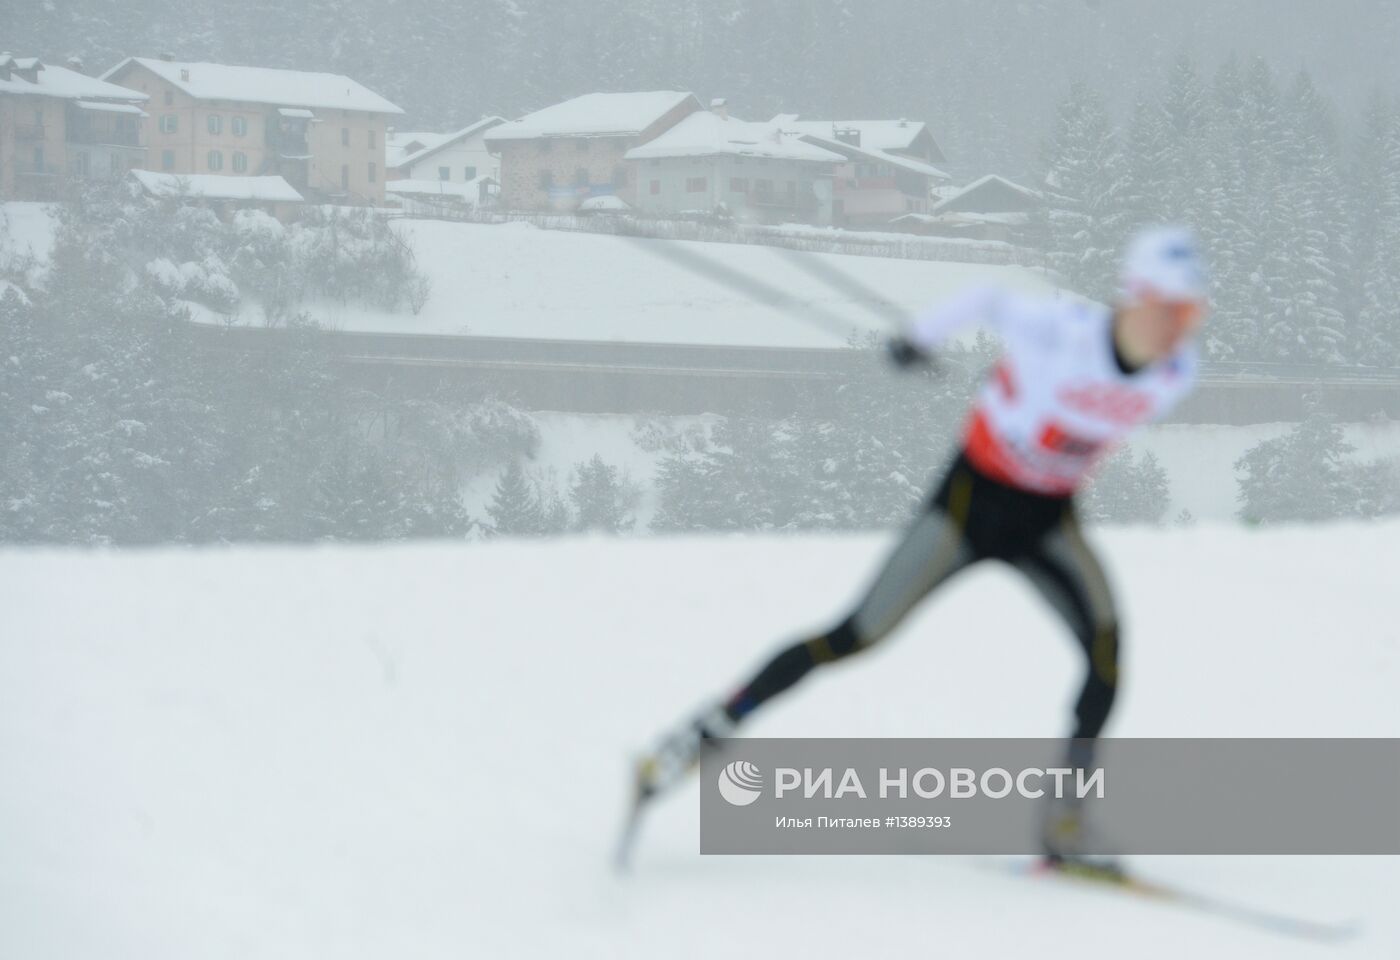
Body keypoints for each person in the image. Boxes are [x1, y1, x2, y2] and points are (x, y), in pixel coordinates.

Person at [631, 225, 1209, 867]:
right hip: (968, 507)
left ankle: (1063, 825)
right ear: (1134, 297)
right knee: (852, 637)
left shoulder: (1177, 372)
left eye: (1190, 313)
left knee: (1106, 654)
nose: (1176, 328)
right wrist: (918, 339)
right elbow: (988, 297)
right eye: (1167, 308)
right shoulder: (1061, 330)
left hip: (1047, 520)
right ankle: (696, 737)